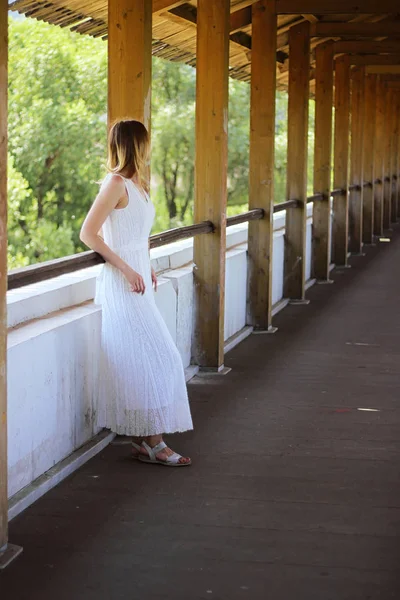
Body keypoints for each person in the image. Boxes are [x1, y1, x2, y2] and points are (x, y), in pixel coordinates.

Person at [80, 119, 193, 466]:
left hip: (140, 280)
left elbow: (137, 234)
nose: (150, 148)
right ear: (136, 145)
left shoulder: (138, 185)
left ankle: (146, 441)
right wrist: (127, 268)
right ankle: (156, 444)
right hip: (122, 283)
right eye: (146, 142)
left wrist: (146, 265)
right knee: (160, 358)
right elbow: (89, 233)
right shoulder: (115, 183)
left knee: (148, 359)